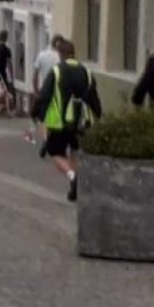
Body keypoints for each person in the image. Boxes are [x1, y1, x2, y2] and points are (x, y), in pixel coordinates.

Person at [33, 40, 102, 202]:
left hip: (60, 122)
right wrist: (98, 115)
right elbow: (94, 98)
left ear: (60, 54)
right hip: (82, 122)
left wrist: (37, 113)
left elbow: (44, 96)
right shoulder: (87, 72)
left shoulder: (56, 72)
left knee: (55, 152)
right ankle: (75, 187)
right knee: (75, 151)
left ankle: (72, 176)